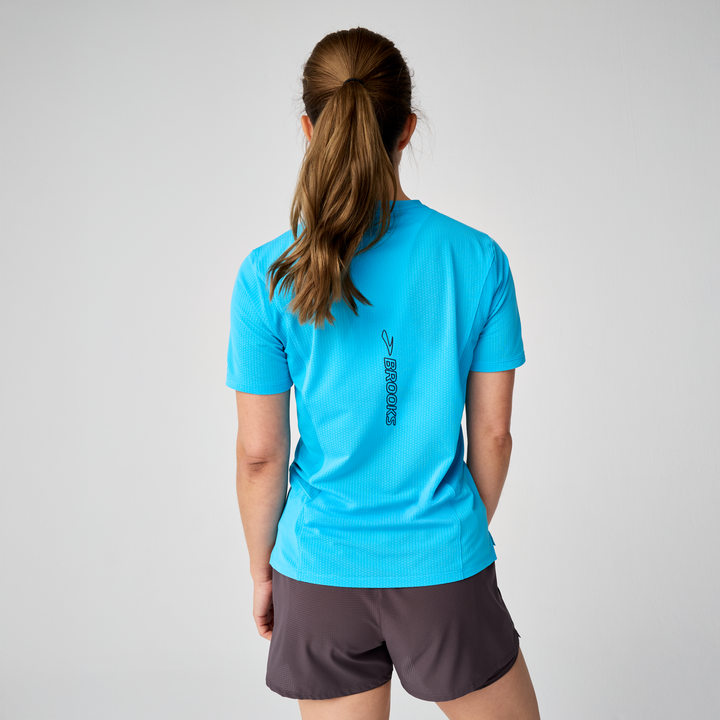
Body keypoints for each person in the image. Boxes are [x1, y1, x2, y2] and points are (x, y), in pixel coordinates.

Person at [226, 26, 542, 720]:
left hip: (319, 570)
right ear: (407, 129)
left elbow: (259, 456)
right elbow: (493, 436)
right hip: (442, 561)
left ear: (310, 129)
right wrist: (447, 543)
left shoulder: (266, 275)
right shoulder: (478, 259)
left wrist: (262, 573)